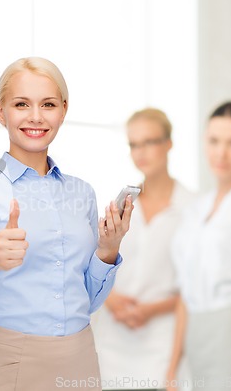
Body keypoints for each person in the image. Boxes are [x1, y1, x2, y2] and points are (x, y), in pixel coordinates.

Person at [0, 57, 133, 391]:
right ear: (1, 111)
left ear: (63, 110)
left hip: (80, 357)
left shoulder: (81, 192)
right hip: (13, 360)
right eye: (22, 104)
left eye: (47, 104)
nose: (36, 116)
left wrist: (107, 252)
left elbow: (88, 301)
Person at [92, 108, 194, 390]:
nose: (141, 152)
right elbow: (95, 264)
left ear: (169, 143)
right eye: (134, 144)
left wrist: (152, 309)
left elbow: (195, 286)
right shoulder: (118, 205)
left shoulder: (192, 208)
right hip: (111, 343)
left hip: (162, 345)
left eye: (149, 142)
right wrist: (110, 299)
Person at [167, 101, 231, 391]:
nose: (221, 153)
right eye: (214, 141)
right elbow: (185, 293)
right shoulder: (195, 210)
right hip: (195, 339)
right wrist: (172, 368)